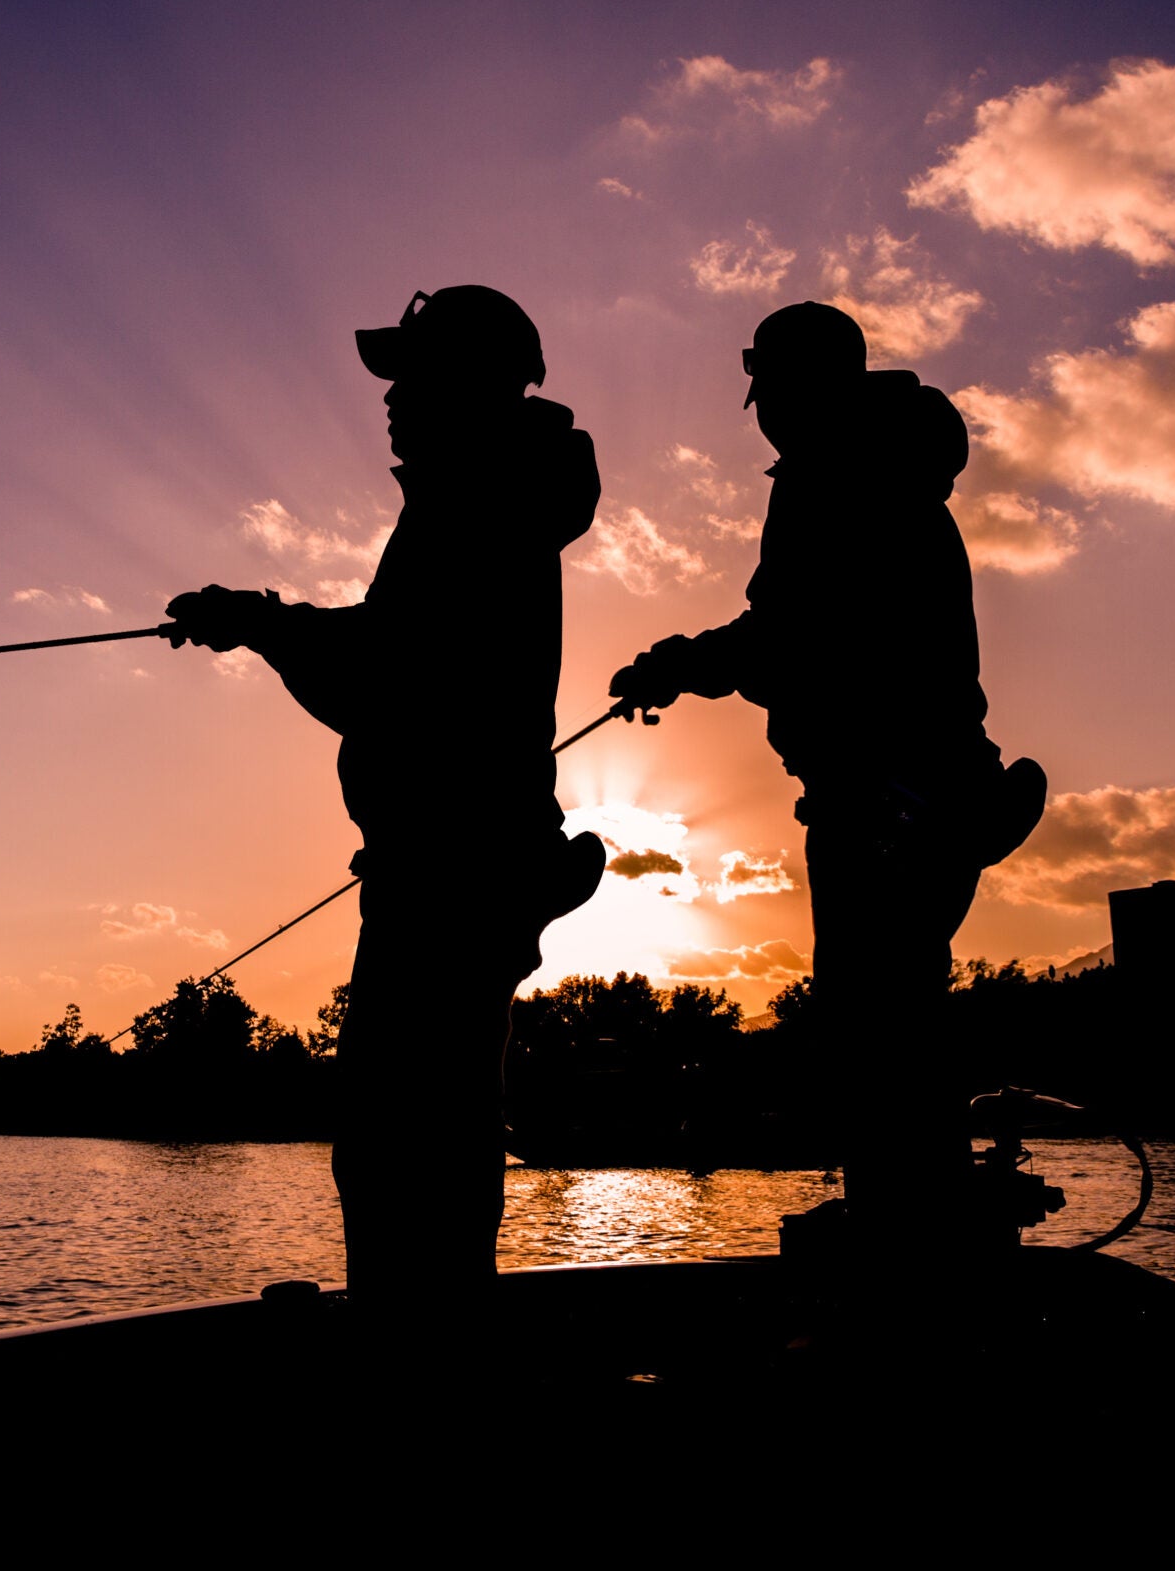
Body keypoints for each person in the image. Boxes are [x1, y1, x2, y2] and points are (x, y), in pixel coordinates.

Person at [164, 285, 606, 1304]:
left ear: (472, 380)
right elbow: (390, 649)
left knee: (401, 1139)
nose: (390, 398)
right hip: (468, 863)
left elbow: (388, 675)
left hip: (450, 872)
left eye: (410, 375)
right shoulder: (482, 497)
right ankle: (427, 1345)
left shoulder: (479, 502)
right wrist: (265, 620)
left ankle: (418, 1368)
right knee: (431, 1131)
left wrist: (261, 622)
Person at [606, 301, 1043, 1243]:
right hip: (929, 787)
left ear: (800, 388)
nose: (762, 410)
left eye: (770, 389)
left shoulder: (837, 476)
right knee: (893, 1007)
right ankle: (909, 1206)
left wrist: (682, 663)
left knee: (873, 1012)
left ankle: (903, 1227)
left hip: (887, 797)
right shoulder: (887, 470)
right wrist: (695, 661)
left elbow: (800, 637)